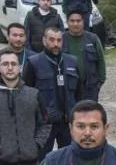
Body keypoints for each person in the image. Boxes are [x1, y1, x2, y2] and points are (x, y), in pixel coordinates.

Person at [23, 25, 79, 154]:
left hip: (67, 122)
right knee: (42, 160)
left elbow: (79, 93)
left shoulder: (72, 62)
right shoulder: (33, 63)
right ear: (44, 41)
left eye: (59, 40)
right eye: (52, 40)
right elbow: (26, 95)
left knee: (68, 158)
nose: (56, 44)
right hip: (45, 124)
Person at [63, 10, 107, 103]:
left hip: (90, 87)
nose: (75, 24)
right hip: (68, 88)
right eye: (72, 21)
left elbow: (101, 61)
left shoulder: (92, 38)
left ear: (83, 22)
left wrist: (99, 83)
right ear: (67, 22)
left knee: (90, 114)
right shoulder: (61, 39)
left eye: (78, 21)